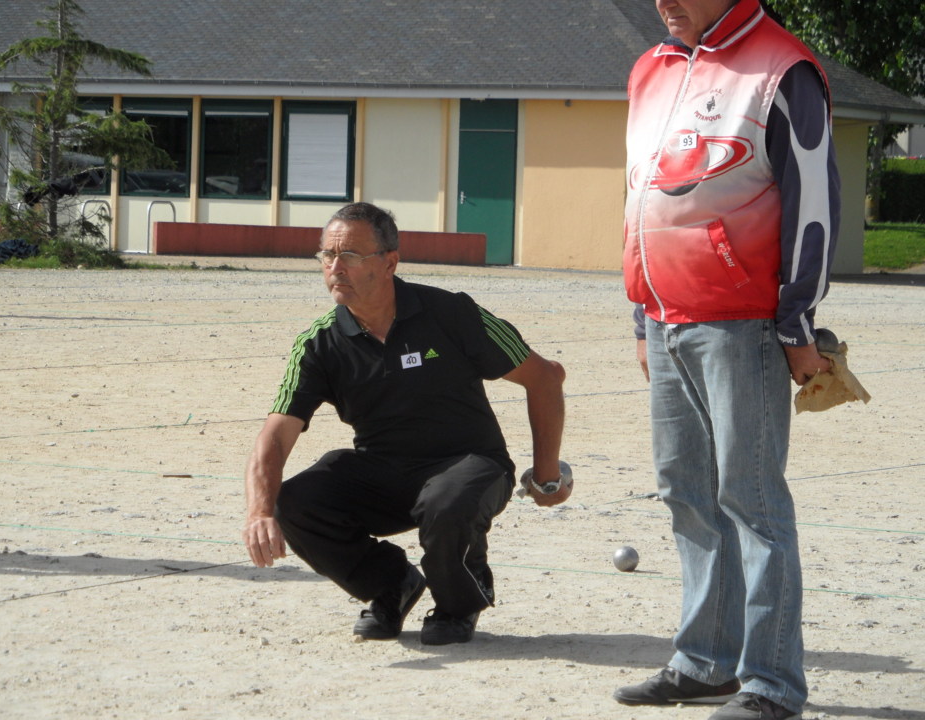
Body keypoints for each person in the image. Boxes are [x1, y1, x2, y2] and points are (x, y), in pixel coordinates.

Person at [616, 1, 840, 719]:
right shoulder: (650, 68)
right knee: (686, 494)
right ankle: (705, 662)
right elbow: (640, 195)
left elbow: (813, 207)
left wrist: (797, 322)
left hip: (743, 324)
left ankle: (771, 684)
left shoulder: (782, 70)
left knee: (753, 502)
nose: (663, 1)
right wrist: (642, 315)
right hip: (664, 318)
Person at [242, 202, 568, 645]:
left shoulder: (451, 313)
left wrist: (547, 476)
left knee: (447, 502)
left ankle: (459, 604)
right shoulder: (319, 344)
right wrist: (260, 511)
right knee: (293, 500)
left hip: (470, 465)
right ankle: (391, 585)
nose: (335, 267)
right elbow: (274, 436)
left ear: (390, 262)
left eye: (350, 255)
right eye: (327, 255)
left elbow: (545, 377)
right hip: (385, 472)